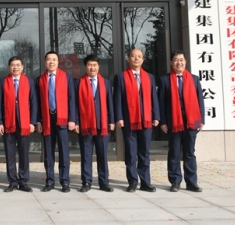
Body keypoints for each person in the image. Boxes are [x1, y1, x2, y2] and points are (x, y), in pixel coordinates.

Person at [113, 48, 160, 192]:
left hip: (146, 120)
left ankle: (145, 182)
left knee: (144, 152)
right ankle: (132, 181)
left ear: (143, 59)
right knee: (131, 152)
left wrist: (156, 116)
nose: (136, 59)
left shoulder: (149, 77)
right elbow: (117, 99)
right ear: (128, 59)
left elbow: (154, 98)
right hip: (128, 121)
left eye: (139, 56)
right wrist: (119, 117)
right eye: (133, 56)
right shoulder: (121, 77)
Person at [158, 50, 205, 193]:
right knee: (174, 152)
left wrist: (201, 120)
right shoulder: (164, 80)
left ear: (185, 62)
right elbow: (161, 103)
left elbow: (200, 100)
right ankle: (175, 181)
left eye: (181, 60)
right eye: (176, 60)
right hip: (173, 121)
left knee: (190, 152)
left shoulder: (194, 79)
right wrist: (163, 121)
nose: (179, 62)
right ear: (171, 63)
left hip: (191, 121)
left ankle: (191, 182)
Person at [74, 54, 115, 192]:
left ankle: (104, 182)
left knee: (102, 155)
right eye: (90, 65)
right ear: (85, 67)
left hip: (102, 124)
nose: (92, 68)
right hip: (85, 125)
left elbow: (110, 103)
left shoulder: (105, 83)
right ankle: (86, 182)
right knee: (86, 155)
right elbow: (75, 105)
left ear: (98, 66)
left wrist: (111, 120)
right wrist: (76, 122)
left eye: (95, 65)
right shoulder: (78, 83)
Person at [36, 51, 76, 192]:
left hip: (62, 118)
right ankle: (50, 181)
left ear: (58, 62)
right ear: (45, 62)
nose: (51, 62)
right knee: (48, 152)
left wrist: (72, 119)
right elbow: (37, 103)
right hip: (47, 119)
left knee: (64, 151)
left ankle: (65, 182)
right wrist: (38, 121)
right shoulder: (40, 79)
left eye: (54, 59)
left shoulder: (67, 77)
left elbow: (72, 99)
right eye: (49, 59)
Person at [0, 56, 37, 192]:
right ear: (9, 67)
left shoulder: (29, 82)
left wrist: (32, 122)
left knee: (24, 153)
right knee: (10, 154)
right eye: (13, 65)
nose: (15, 67)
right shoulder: (3, 82)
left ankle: (23, 181)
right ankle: (12, 181)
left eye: (18, 65)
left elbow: (34, 103)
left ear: (22, 67)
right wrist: (0, 122)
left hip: (24, 123)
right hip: (8, 123)